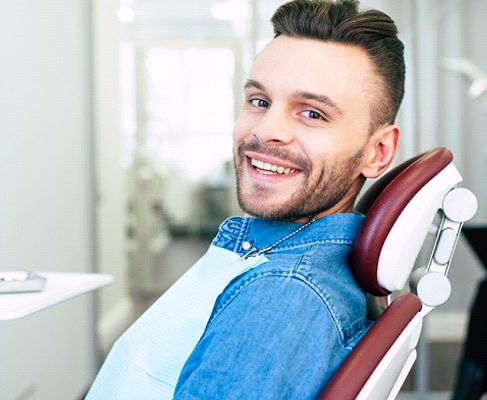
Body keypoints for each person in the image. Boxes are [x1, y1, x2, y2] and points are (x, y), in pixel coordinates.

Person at [86, 0, 405, 398]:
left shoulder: (282, 295)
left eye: (312, 113)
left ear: (377, 152)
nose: (267, 130)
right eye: (259, 101)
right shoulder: (275, 260)